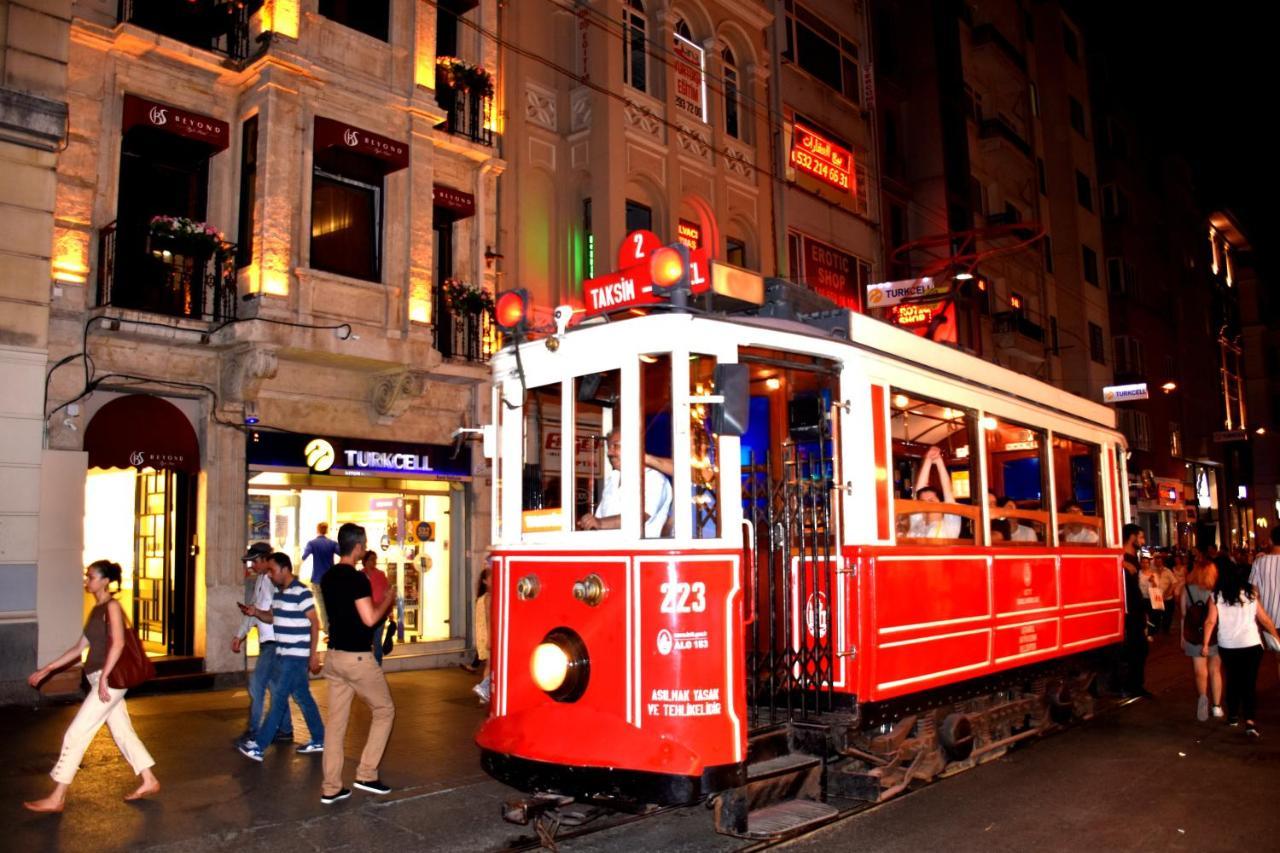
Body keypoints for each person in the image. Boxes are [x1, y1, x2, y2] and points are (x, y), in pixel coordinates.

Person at [23, 560, 160, 812]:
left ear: (105, 580)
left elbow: (118, 644)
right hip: (101, 679)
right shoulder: (97, 610)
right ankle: (149, 780)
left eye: (92, 576)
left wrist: (105, 678)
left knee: (76, 733)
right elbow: (79, 649)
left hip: (109, 681)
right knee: (122, 732)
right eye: (87, 576)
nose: (87, 581)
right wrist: (47, 670)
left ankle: (57, 797)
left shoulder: (113, 607)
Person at [319, 523, 398, 804]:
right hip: (358, 658)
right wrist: (388, 600)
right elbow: (369, 618)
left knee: (336, 724)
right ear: (358, 547)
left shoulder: (327, 578)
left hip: (335, 656)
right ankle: (366, 773)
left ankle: (331, 787)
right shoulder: (357, 579)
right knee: (385, 710)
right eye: (363, 545)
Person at [238, 553, 325, 760]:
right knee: (303, 697)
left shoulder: (301, 592)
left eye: (272, 570)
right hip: (283, 654)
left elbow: (315, 623)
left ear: (285, 569)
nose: (269, 575)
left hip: (296, 656)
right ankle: (320, 738)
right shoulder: (279, 594)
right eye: (268, 571)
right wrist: (256, 613)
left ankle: (259, 746)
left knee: (278, 700)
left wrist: (314, 654)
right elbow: (272, 617)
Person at [1203, 562, 1280, 737]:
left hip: (1228, 646)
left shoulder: (1216, 595)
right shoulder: (1251, 594)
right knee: (1249, 683)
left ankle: (1233, 715)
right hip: (1251, 644)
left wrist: (1206, 644)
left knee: (1233, 679)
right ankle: (1250, 721)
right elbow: (1265, 619)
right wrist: (1276, 636)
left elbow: (1210, 621)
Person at [233, 542, 293, 749]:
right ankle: (285, 729)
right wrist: (240, 635)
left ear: (266, 560)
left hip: (274, 642)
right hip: (268, 642)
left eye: (254, 561)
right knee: (276, 687)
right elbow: (254, 610)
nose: (252, 565)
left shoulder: (271, 581)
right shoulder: (261, 580)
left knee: (257, 685)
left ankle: (254, 732)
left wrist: (254, 617)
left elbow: (273, 613)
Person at [578, 430, 673, 537]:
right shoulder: (612, 479)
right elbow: (599, 518)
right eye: (608, 447)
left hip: (639, 551)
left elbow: (640, 516)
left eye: (616, 446)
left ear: (634, 447)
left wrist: (600, 523)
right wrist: (588, 523)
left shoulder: (653, 478)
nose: (609, 452)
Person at [1181, 556, 1223, 721]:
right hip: (1214, 633)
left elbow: (1184, 614)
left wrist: (1182, 637)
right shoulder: (1216, 590)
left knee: (1199, 671)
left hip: (1193, 634)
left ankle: (1203, 698)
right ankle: (1217, 706)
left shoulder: (1187, 589)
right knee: (1215, 670)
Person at [1119, 523, 1151, 698]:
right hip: (1128, 610)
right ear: (1132, 537)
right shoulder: (1121, 556)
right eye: (1140, 537)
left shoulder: (1133, 557)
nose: (1143, 541)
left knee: (1140, 648)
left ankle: (1136, 684)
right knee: (1135, 649)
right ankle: (1132, 685)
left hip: (1137, 608)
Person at [905, 446, 961, 539]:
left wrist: (939, 461)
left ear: (941, 503)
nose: (927, 504)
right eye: (923, 501)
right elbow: (919, 491)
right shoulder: (917, 521)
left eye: (931, 500)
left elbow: (948, 493)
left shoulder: (949, 526)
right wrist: (928, 459)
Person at [1249, 526, 1280, 681]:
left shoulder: (1259, 563)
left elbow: (1253, 593)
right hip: (1270, 619)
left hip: (1269, 619)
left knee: (1278, 657)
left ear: (1270, 540)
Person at [303, 522, 339, 630]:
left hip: (317, 579)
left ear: (317, 529)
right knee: (331, 605)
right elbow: (342, 553)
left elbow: (304, 556)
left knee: (321, 606)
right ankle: (332, 627)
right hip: (331, 580)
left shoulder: (312, 543)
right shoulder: (332, 544)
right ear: (326, 530)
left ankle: (327, 629)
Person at [361, 551, 391, 665]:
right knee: (365, 643)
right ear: (365, 561)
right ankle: (367, 668)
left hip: (379, 614)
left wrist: (388, 610)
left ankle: (377, 668)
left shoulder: (381, 574)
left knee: (377, 641)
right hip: (364, 614)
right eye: (371, 559)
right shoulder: (360, 575)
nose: (373, 561)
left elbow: (387, 592)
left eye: (375, 559)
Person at [472, 566, 492, 704]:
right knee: (491, 665)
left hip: (482, 636)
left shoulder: (481, 598)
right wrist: (491, 638)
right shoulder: (489, 598)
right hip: (488, 636)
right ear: (485, 581)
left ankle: (483, 694)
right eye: (491, 578)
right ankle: (484, 689)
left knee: (488, 665)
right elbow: (489, 618)